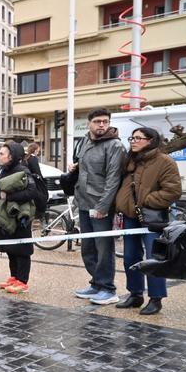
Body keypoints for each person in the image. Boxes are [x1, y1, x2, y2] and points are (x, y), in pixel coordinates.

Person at [113, 127, 181, 314]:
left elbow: (173, 191)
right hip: (129, 217)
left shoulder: (164, 161)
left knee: (154, 259)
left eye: (138, 138)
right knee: (130, 257)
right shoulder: (130, 160)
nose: (133, 141)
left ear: (151, 140)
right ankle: (135, 294)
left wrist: (146, 201)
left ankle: (156, 298)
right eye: (132, 138)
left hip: (152, 219)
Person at [72, 108, 126, 304]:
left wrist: (103, 206)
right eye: (97, 121)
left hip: (101, 205)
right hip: (84, 203)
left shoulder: (115, 146)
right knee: (88, 247)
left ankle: (108, 289)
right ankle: (96, 283)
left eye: (105, 121)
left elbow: (113, 179)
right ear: (89, 123)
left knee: (104, 248)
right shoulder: (85, 141)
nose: (101, 125)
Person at [0, 142, 41, 294]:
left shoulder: (23, 171)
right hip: (7, 216)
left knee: (22, 249)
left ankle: (22, 281)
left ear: (11, 156)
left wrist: (10, 196)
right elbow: (1, 194)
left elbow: (32, 192)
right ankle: (14, 277)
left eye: (1, 154)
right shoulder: (3, 171)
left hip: (21, 216)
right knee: (10, 247)